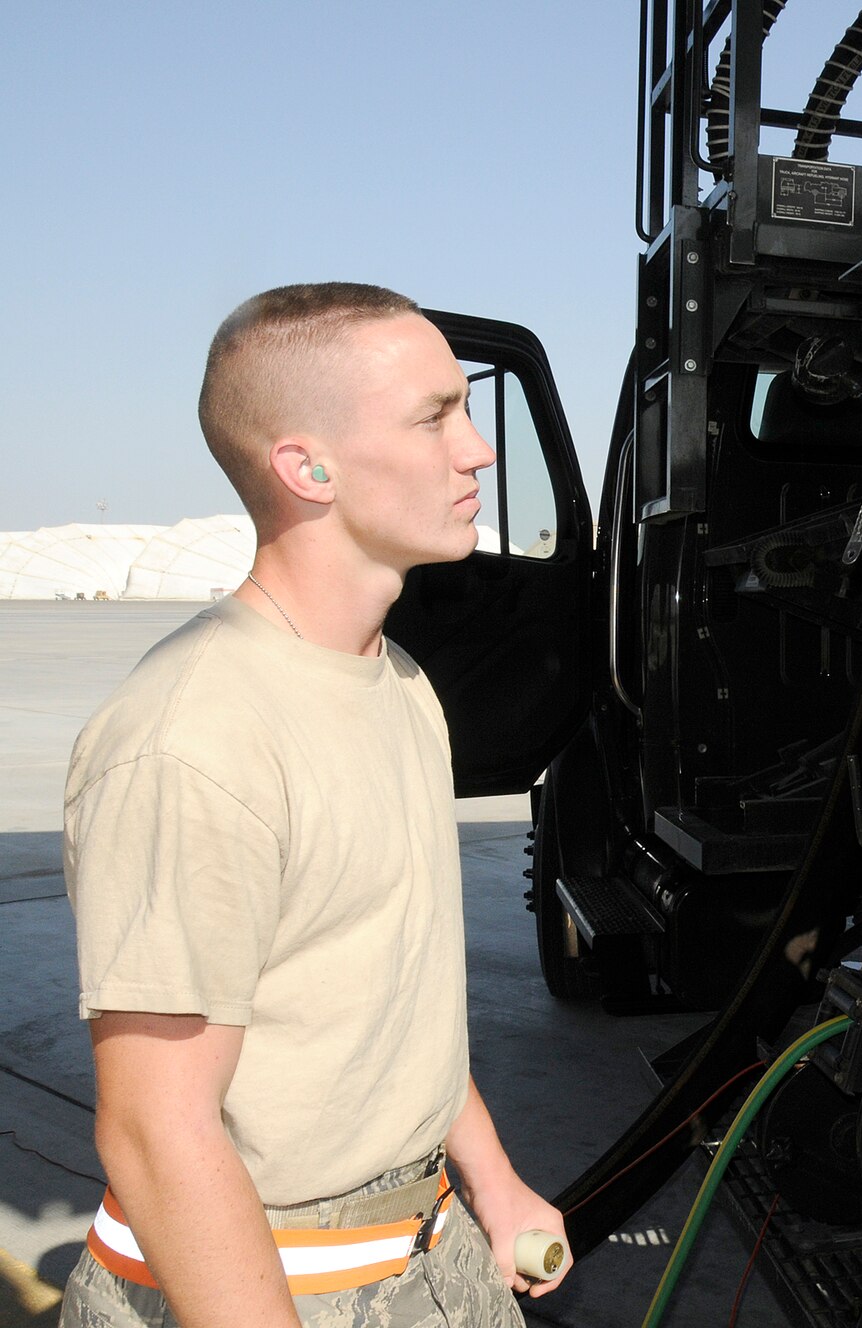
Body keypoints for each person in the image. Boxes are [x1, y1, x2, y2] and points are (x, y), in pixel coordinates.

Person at [60, 283, 568, 1327]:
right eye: (434, 417)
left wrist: (493, 1175)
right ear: (307, 467)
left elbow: (387, 997)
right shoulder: (194, 735)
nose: (476, 452)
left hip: (430, 1257)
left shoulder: (400, 686)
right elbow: (159, 1132)